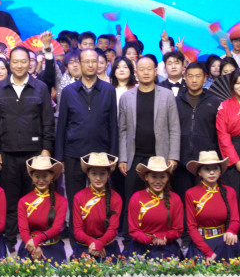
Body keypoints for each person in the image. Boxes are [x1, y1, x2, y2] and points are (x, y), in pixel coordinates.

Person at [0, 45, 55, 250]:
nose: (19, 65)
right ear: (9, 63)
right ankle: (9, 243)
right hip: (7, 154)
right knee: (10, 201)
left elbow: (47, 121)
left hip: (34, 155)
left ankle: (34, 241)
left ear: (30, 63)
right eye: (15, 61)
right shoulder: (0, 88)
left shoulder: (40, 88)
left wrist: (46, 149)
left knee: (35, 200)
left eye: (23, 61)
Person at [56, 48, 119, 214]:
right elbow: (62, 125)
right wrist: (60, 157)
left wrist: (113, 155)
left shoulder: (108, 90)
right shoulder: (69, 91)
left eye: (94, 61)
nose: (91, 65)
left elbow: (113, 125)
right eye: (86, 61)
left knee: (101, 203)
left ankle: (99, 230)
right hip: (73, 154)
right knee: (75, 203)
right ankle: (75, 231)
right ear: (79, 64)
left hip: (101, 155)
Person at [119, 55, 181, 210]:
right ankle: (129, 227)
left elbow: (174, 128)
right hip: (134, 157)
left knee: (161, 201)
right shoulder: (126, 97)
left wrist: (173, 156)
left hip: (160, 156)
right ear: (136, 73)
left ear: (155, 72)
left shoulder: (167, 95)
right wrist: (123, 158)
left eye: (149, 69)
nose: (145, 72)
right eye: (142, 69)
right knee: (131, 201)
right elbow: (122, 130)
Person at [183, 151, 240, 260]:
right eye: (207, 169)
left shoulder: (229, 192)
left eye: (215, 168)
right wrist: (207, 252)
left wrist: (231, 231)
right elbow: (191, 227)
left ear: (220, 171)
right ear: (199, 172)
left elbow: (235, 220)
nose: (211, 172)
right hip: (201, 243)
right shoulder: (191, 193)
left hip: (224, 241)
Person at [175, 61, 223, 196]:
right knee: (183, 198)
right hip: (181, 161)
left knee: (206, 199)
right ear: (185, 78)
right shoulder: (176, 101)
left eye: (198, 76)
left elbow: (219, 133)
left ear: (205, 78)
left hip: (206, 161)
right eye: (190, 76)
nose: (194, 80)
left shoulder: (214, 102)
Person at [127, 156, 184, 259]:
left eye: (162, 177)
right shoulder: (136, 198)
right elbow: (133, 230)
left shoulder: (175, 199)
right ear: (146, 177)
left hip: (166, 245)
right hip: (141, 246)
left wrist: (163, 237)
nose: (158, 181)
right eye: (154, 176)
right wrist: (151, 239)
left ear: (167, 177)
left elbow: (177, 230)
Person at [17, 156, 68, 262]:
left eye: (45, 176)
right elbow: (23, 230)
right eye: (37, 176)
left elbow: (56, 228)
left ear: (52, 176)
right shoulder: (23, 201)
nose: (41, 180)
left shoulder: (61, 200)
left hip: (53, 248)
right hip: (29, 247)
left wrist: (36, 240)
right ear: (31, 176)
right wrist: (33, 248)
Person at [73, 152, 123, 259]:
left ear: (108, 174)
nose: (98, 178)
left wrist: (100, 243)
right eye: (94, 173)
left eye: (102, 174)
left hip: (108, 245)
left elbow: (113, 229)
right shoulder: (79, 197)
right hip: (85, 245)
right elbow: (77, 230)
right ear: (88, 174)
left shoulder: (116, 198)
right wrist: (93, 243)